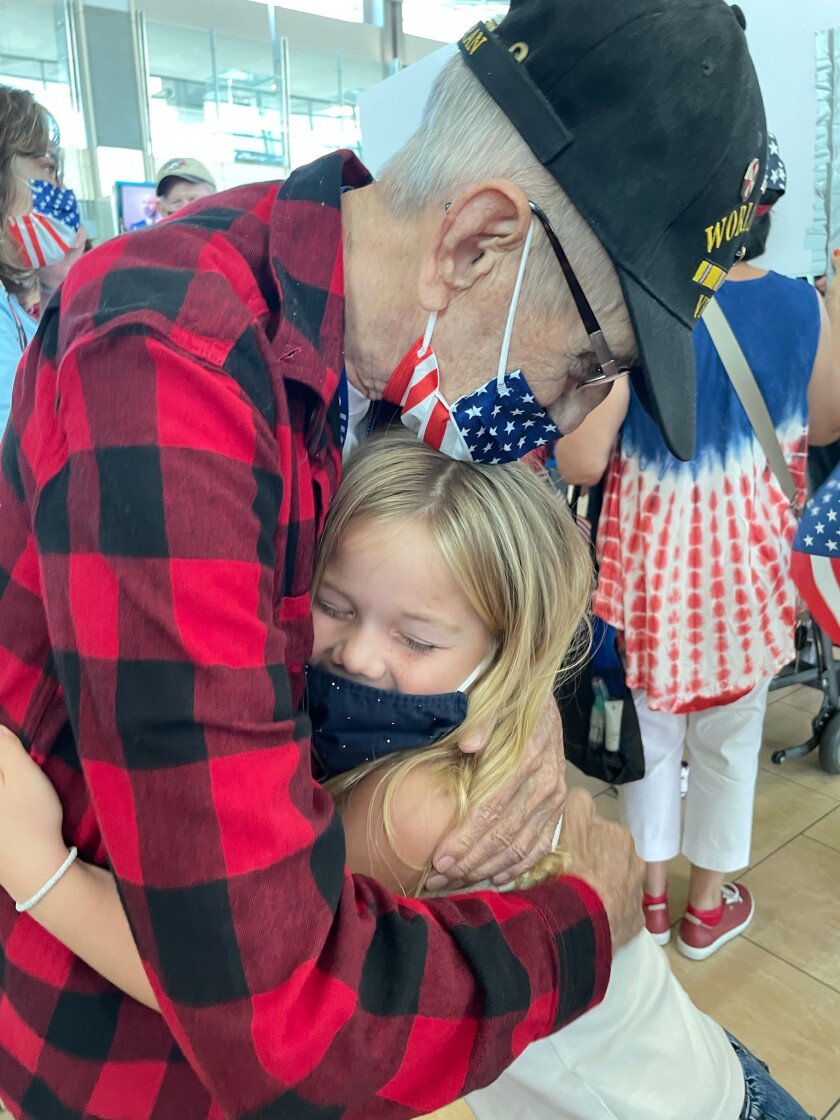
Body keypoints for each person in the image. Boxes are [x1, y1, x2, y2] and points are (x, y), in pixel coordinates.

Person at [0, 0, 767, 1115]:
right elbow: (281, 1016)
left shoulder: (374, 352)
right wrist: (585, 921)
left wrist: (519, 706)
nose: (567, 415)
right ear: (475, 243)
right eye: (589, 361)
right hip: (131, 1065)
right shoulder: (177, 369)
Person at [0, 431, 815, 1120]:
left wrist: (38, 867)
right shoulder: (442, 732)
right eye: (335, 605)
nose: (359, 656)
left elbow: (235, 985)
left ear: (505, 657)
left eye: (417, 641)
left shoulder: (417, 810)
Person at [555, 138, 840, 962]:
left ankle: (648, 899)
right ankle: (705, 910)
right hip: (748, 571)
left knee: (654, 738)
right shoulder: (801, 304)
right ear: (765, 215)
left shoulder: (637, 303)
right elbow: (822, 426)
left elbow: (581, 460)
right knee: (730, 740)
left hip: (650, 569)